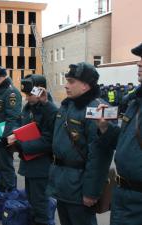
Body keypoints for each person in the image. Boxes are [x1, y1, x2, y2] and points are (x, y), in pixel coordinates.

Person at [45, 62, 113, 225]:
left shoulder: (97, 109)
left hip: (80, 186)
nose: (66, 85)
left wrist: (91, 191)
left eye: (71, 81)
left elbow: (99, 156)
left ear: (85, 86)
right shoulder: (68, 105)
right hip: (62, 183)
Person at [95, 43, 142, 225]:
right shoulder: (135, 101)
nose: (139, 64)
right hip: (124, 197)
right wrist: (105, 127)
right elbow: (125, 142)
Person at [7, 74, 58, 225]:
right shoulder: (29, 106)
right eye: (26, 95)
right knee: (32, 199)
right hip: (29, 162)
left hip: (41, 165)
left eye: (30, 95)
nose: (27, 98)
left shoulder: (50, 110)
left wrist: (22, 144)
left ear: (40, 91)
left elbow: (49, 140)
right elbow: (19, 121)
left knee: (40, 203)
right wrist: (15, 134)